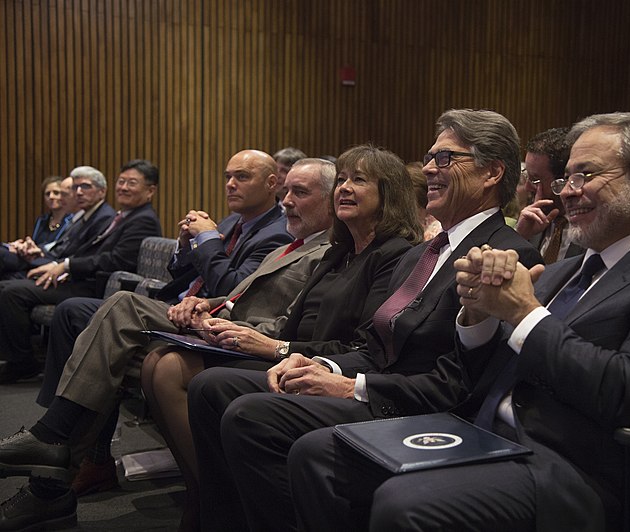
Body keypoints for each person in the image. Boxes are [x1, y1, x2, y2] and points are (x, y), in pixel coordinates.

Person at [288, 112, 630, 532]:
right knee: (318, 454)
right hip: (481, 433)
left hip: (570, 468)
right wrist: (477, 316)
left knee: (407, 502)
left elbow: (628, 392)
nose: (566, 191)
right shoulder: (563, 272)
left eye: (586, 175)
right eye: (568, 177)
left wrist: (524, 313)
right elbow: (479, 372)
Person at [186, 108, 541, 531]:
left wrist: (349, 385)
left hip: (420, 408)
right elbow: (375, 345)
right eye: (429, 157)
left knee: (251, 417)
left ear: (492, 173)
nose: (428, 168)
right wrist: (323, 365)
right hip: (379, 383)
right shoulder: (422, 253)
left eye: (445, 159)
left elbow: (458, 382)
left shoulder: (507, 257)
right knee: (213, 386)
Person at [141, 148, 420, 528]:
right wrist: (227, 325)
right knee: (195, 378)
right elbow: (289, 322)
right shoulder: (339, 252)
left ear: (389, 194)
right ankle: (218, 510)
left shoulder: (394, 255)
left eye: (359, 180)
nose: (345, 188)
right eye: (341, 180)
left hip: (330, 368)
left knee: (209, 384)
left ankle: (231, 512)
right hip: (290, 356)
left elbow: (363, 348)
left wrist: (276, 348)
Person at [33, 149, 292, 495]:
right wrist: (186, 245)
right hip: (176, 307)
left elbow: (231, 290)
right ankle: (79, 459)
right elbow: (182, 273)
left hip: (210, 321)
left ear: (272, 183)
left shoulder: (277, 233)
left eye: (241, 177)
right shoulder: (231, 223)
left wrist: (208, 239)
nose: (230, 184)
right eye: (228, 176)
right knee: (83, 321)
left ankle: (56, 447)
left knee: (119, 309)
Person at [0, 160, 162, 384]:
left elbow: (116, 261)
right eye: (121, 181)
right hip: (80, 279)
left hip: (97, 287)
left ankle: (22, 362)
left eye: (131, 183)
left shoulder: (143, 219)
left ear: (150, 190)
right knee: (10, 285)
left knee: (13, 292)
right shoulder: (122, 216)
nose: (123, 187)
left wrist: (66, 266)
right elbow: (85, 251)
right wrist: (55, 263)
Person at [515, 127, 584, 263]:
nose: (528, 186)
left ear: (562, 181)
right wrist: (520, 236)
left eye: (535, 179)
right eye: (526, 176)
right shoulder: (531, 221)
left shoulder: (588, 226)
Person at [0, 176, 75, 279]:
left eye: (56, 193)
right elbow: (34, 243)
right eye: (47, 194)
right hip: (32, 258)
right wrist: (25, 246)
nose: (51, 197)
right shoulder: (42, 220)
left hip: (50, 261)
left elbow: (62, 249)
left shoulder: (72, 221)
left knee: (2, 255)